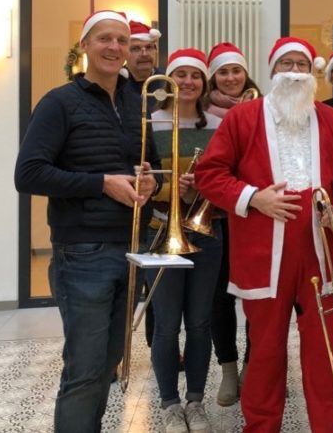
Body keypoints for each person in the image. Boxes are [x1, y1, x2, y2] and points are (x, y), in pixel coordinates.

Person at [194, 36, 333, 432]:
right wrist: (254, 198)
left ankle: (330, 426)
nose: (293, 72)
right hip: (262, 253)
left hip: (320, 250)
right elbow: (210, 175)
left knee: (326, 351)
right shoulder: (243, 117)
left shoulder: (329, 119)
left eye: (301, 65)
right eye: (285, 64)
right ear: (272, 71)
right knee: (266, 352)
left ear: (312, 73)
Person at [14, 10, 159, 433]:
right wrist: (101, 184)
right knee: (84, 372)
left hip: (130, 247)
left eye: (123, 41)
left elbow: (142, 165)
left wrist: (147, 181)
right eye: (104, 40)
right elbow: (28, 174)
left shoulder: (137, 102)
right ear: (84, 48)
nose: (115, 48)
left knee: (106, 368)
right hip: (82, 255)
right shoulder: (59, 102)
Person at [146, 48, 224, 433]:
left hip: (206, 232)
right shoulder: (151, 123)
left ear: (204, 82)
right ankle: (169, 404)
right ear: (169, 82)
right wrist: (170, 186)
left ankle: (195, 401)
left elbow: (230, 173)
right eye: (181, 75)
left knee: (199, 322)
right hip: (161, 230)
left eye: (196, 76)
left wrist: (203, 187)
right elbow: (143, 177)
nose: (188, 82)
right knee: (165, 325)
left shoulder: (220, 122)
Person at [203, 41, 260, 406]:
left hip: (254, 216)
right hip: (216, 219)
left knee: (257, 297)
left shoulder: (262, 109)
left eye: (235, 70)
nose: (230, 78)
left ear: (245, 73)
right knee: (219, 299)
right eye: (222, 72)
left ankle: (254, 367)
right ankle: (227, 369)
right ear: (213, 78)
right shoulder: (201, 114)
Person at [123, 20, 161, 85]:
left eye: (149, 47)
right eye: (136, 49)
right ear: (125, 54)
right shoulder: (114, 81)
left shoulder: (167, 81)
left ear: (156, 51)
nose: (144, 54)